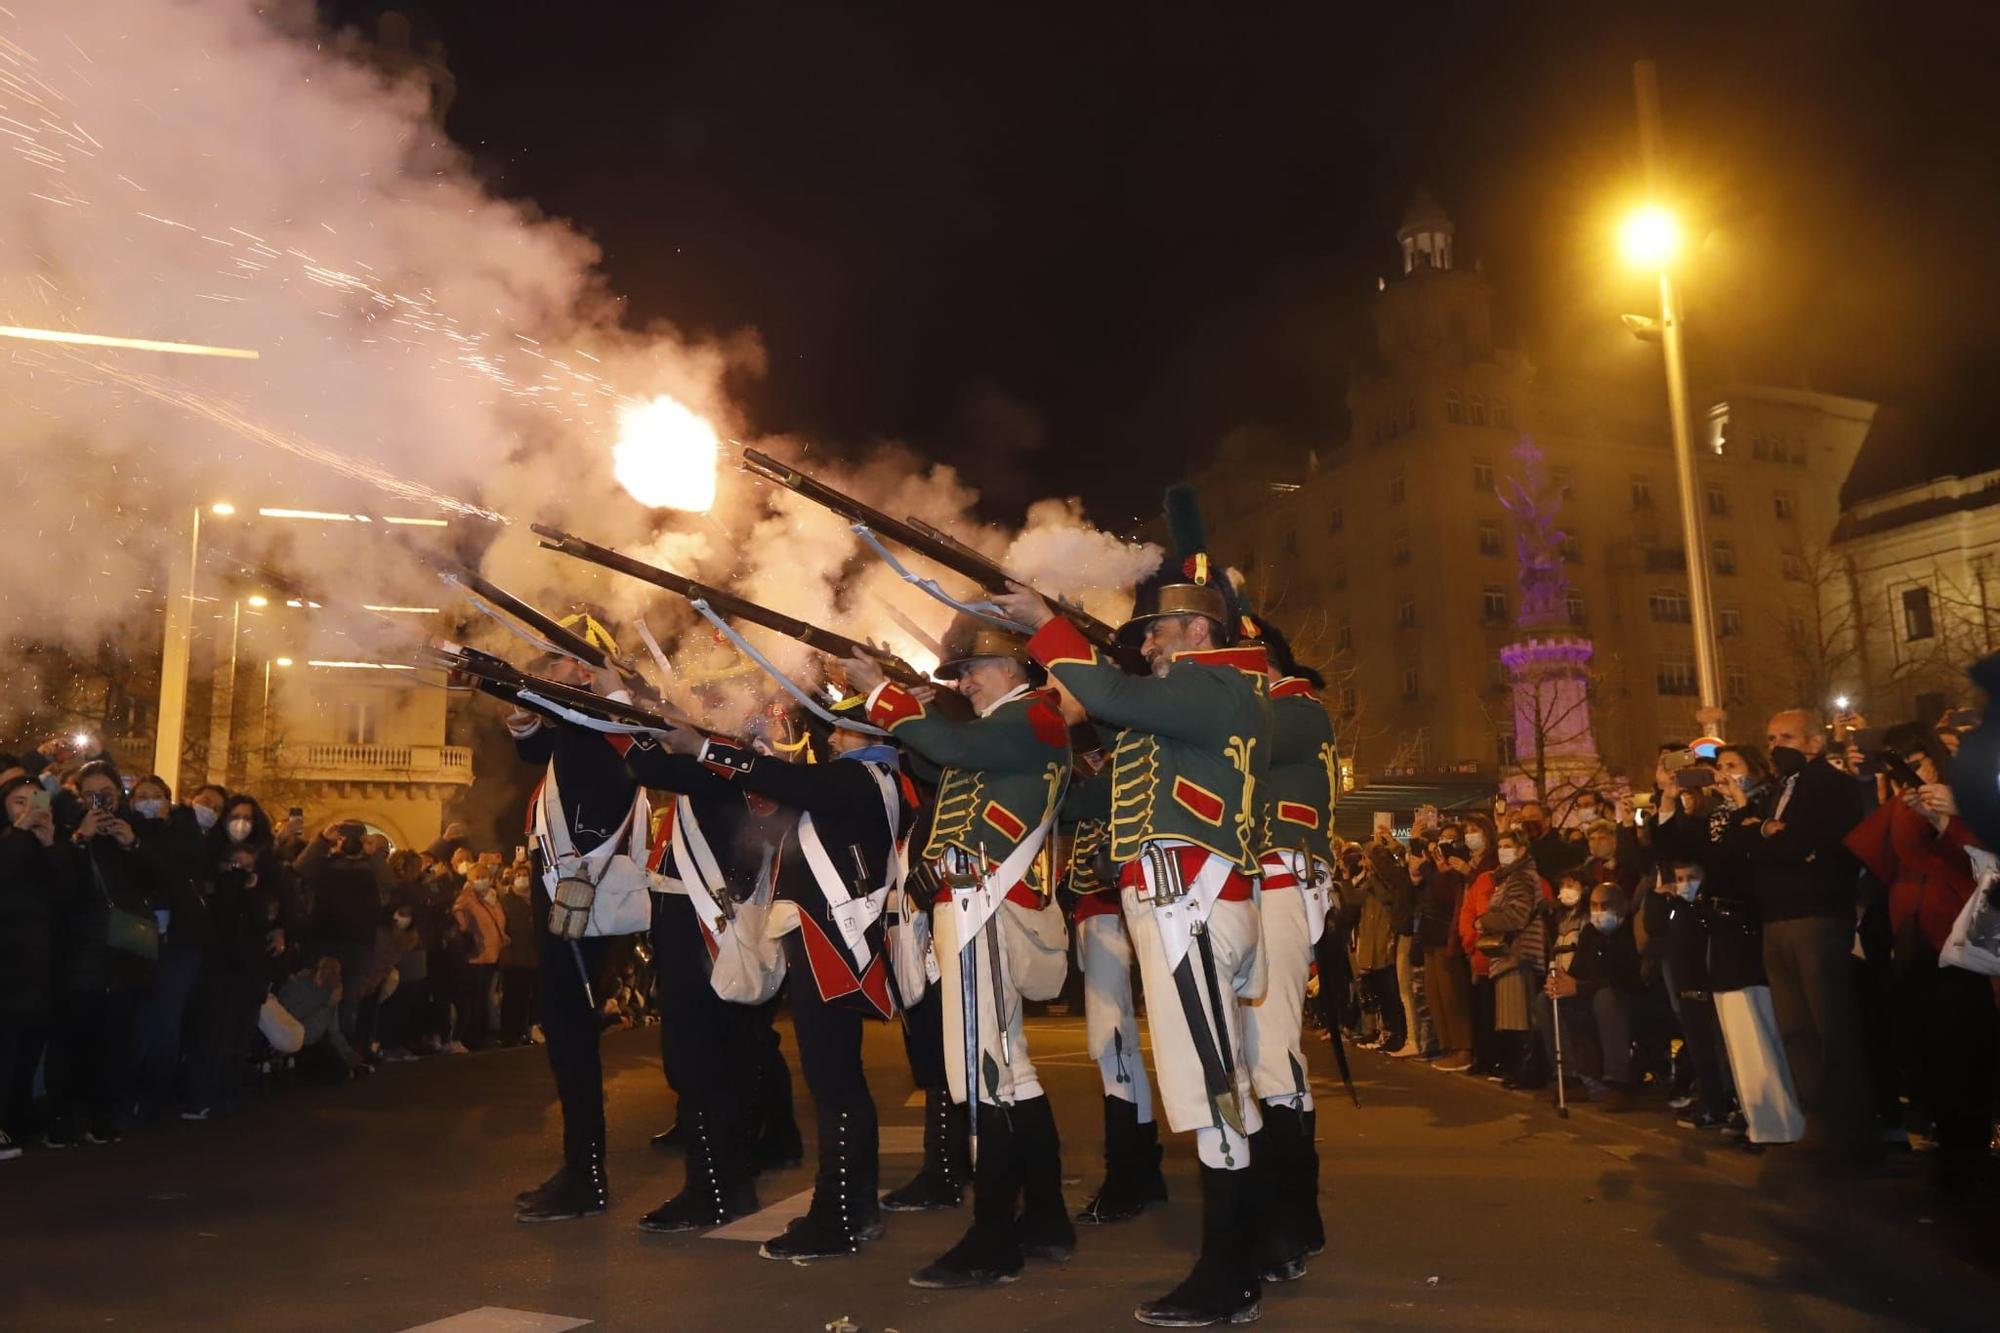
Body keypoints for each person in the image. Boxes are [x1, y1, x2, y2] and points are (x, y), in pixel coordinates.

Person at [1003, 545, 1274, 1328]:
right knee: (1218, 1084)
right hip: (1178, 903)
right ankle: (1242, 1252)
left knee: (1210, 1088)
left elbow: (1115, 690)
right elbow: (1115, 733)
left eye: (1156, 633)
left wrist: (1047, 626)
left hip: (1190, 903)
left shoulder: (1215, 682)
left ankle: (1227, 1273)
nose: (1145, 646)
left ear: (1194, 628)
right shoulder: (1200, 698)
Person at [848, 615, 1075, 1289]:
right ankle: (1047, 1219)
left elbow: (955, 748)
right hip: (972, 904)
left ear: (1013, 668)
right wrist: (911, 719)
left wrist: (881, 696)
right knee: (1013, 1075)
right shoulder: (1005, 729)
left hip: (984, 905)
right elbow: (944, 758)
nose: (965, 682)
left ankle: (992, 1237)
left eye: (973, 671)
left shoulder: (1034, 717)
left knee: (977, 1079)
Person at [650, 694, 909, 1263]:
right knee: (834, 1080)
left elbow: (792, 785)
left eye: (841, 726)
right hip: (825, 943)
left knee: (835, 1082)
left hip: (833, 944)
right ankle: (852, 1208)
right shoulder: (861, 778)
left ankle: (839, 1214)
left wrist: (707, 746)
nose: (829, 736)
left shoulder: (866, 777)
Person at [500, 643, 649, 1225]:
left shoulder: (606, 721)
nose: (546, 670)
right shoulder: (581, 721)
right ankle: (578, 1167)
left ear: (584, 670)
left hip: (584, 889)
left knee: (573, 1035)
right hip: (566, 887)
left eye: (555, 662)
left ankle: (586, 1176)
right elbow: (539, 748)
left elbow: (593, 759)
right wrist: (517, 710)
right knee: (564, 1035)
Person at [1844, 722, 1992, 1185]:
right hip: (1910, 932)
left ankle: (1969, 1143)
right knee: (1923, 1040)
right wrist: (1873, 787)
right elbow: (1868, 850)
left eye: (1918, 758)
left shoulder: (1968, 795)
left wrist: (1949, 818)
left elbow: (1982, 856)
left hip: (1960, 931)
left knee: (1960, 1038)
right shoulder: (1902, 802)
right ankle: (1948, 1137)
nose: (1914, 769)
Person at [1239, 618, 1334, 1279]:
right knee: (1258, 1055)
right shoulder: (1274, 709)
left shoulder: (1296, 708)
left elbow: (1237, 741)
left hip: (1278, 881)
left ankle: (1287, 1224)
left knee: (1273, 1055)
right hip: (1255, 883)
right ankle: (1287, 1217)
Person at [1748, 708, 1874, 1159]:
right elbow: (1753, 844)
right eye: (1771, 737)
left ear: (1814, 743)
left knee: (1831, 1025)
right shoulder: (1774, 791)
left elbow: (1811, 843)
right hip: (1776, 916)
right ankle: (1817, 1121)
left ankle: (1853, 1130)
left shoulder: (1831, 785)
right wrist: (1767, 832)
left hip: (1817, 913)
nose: (1776, 745)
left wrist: (1773, 840)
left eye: (1787, 737)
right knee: (1796, 1028)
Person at [1059, 755, 1168, 1224]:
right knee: (1119, 1046)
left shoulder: (1122, 771)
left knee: (1113, 1043)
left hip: (1113, 905)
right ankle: (1141, 1168)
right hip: (1101, 905)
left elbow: (1068, 807)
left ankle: (1127, 1175)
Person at [47, 761, 159, 1146]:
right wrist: (81, 838)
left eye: (107, 794)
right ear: (79, 796)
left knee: (115, 1039)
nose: (101, 801)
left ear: (119, 794)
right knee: (72, 1039)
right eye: (91, 794)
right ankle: (64, 1117)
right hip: (77, 952)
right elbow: (56, 885)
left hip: (123, 952)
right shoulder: (67, 830)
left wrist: (132, 843)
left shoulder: (134, 832)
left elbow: (159, 883)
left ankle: (102, 1115)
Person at [1, 773, 69, 1158]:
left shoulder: (47, 848)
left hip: (39, 965)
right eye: (17, 801)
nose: (27, 808)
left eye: (35, 801)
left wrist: (50, 844)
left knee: (27, 1050)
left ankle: (15, 1121)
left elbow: (68, 894)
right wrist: (19, 832)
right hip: (6, 964)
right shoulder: (7, 844)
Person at [1545, 880, 1644, 1107]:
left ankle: (1618, 1084)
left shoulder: (1631, 933)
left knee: (1606, 998)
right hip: (1594, 997)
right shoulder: (1590, 933)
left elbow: (1625, 979)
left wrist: (1579, 987)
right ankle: (1572, 1078)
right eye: (1594, 906)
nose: (1599, 912)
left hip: (1630, 1000)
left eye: (1605, 905)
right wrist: (1561, 983)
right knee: (1547, 1001)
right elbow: (1578, 972)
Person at [295, 819, 394, 1044]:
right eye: (344, 837)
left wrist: (373, 854)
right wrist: (321, 841)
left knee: (350, 1000)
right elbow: (300, 869)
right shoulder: (324, 863)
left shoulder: (371, 868)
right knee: (319, 995)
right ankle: (316, 1045)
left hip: (359, 944)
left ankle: (344, 1048)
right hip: (323, 941)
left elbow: (390, 883)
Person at [1475, 827, 1551, 1090]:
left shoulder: (1520, 878)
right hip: (1512, 955)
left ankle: (1526, 1070)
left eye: (1509, 846)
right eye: (1501, 846)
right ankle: (1520, 1069)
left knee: (1519, 1016)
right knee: (1514, 1015)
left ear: (1522, 850)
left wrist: (1483, 921)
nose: (1503, 851)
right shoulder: (1510, 877)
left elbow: (1516, 916)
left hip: (1518, 954)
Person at [1453, 813, 1503, 1076]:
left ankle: (1494, 1057)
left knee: (1490, 1004)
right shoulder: (1468, 864)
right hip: (1470, 940)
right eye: (1467, 831)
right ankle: (1482, 1056)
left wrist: (1469, 873)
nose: (1470, 835)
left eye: (1476, 830)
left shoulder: (1491, 867)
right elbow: (1465, 910)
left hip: (1489, 944)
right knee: (1477, 1005)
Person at [1420, 825, 1474, 1071]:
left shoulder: (1463, 867)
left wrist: (1450, 873)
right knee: (1436, 995)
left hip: (1448, 936)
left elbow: (1452, 900)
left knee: (1452, 995)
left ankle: (1462, 1048)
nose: (1445, 844)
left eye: (1452, 839)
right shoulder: (1433, 867)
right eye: (1443, 838)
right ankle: (1447, 1046)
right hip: (1431, 934)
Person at [451, 862, 509, 1050]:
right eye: (477, 877)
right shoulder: (468, 898)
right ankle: (471, 1036)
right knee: (474, 999)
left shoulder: (491, 898)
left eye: (484, 876)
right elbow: (458, 912)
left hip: (492, 956)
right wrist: (464, 927)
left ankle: (480, 1034)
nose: (481, 880)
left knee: (483, 997)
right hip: (475, 957)